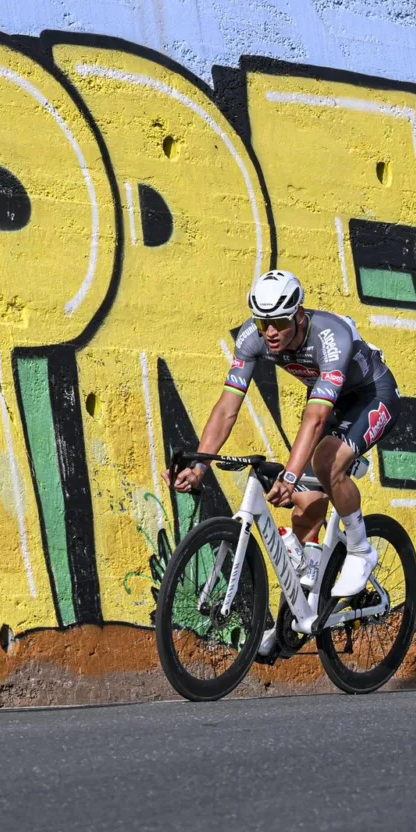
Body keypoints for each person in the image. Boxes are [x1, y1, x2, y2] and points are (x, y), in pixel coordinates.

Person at [169, 270, 400, 643]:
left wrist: (291, 475)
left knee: (325, 463)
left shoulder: (330, 337)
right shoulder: (253, 337)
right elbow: (228, 407)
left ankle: (360, 549)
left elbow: (316, 416)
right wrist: (200, 466)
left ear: (299, 314)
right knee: (304, 510)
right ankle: (295, 622)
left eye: (278, 322)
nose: (270, 332)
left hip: (373, 396)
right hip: (332, 405)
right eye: (263, 323)